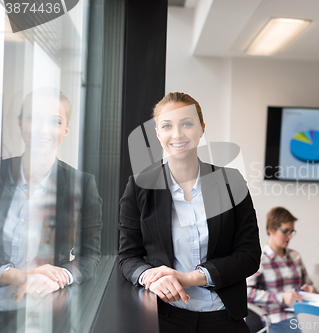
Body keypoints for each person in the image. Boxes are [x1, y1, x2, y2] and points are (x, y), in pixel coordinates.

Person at [119, 92, 261, 333]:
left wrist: (189, 278)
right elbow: (127, 257)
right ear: (157, 133)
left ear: (201, 128)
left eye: (187, 123)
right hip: (164, 317)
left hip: (223, 316)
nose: (177, 134)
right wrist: (152, 278)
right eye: (167, 126)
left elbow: (249, 255)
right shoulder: (140, 186)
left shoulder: (230, 182)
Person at [0, 89, 103, 329]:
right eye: (34, 118)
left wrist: (60, 278)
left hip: (43, 311)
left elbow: (91, 257)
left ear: (66, 129)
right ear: (20, 123)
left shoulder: (83, 185)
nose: (43, 130)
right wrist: (18, 275)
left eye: (55, 121)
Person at [247, 207, 314, 333]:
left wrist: (309, 289)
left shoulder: (295, 256)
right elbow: (246, 292)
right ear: (271, 230)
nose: (289, 236)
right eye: (285, 231)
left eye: (292, 232)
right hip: (277, 318)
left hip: (303, 314)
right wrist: (281, 297)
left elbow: (308, 283)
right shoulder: (260, 259)